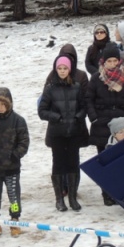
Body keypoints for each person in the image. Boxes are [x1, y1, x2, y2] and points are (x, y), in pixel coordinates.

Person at [87, 45, 124, 205]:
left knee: (122, 162)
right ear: (104, 62)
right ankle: (107, 194)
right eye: (109, 61)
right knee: (105, 162)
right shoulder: (96, 78)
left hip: (122, 125)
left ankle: (121, 193)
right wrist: (94, 118)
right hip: (102, 125)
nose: (112, 64)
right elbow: (88, 99)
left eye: (115, 60)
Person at [38, 55, 88, 212]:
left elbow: (84, 106)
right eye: (59, 68)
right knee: (58, 165)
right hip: (57, 133)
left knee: (73, 163)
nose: (62, 71)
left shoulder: (77, 87)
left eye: (65, 68)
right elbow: (42, 111)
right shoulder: (50, 88)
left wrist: (78, 117)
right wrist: (56, 117)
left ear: (70, 69)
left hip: (74, 132)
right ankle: (59, 199)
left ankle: (72, 197)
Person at [0, 87, 29, 237]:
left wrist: (15, 155)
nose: (0, 107)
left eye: (3, 104)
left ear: (9, 103)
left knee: (13, 197)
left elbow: (24, 142)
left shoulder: (18, 120)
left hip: (12, 169)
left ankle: (15, 220)